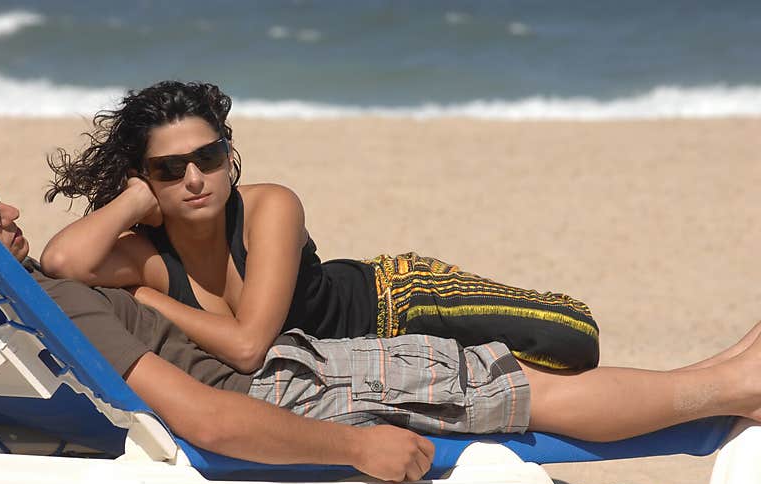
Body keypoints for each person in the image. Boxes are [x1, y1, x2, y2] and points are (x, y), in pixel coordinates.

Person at [0, 157, 761, 484]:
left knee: (547, 354)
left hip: (335, 333)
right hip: (291, 389)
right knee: (521, 392)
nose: (10, 209)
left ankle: (724, 371)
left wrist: (149, 295)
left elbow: (59, 253)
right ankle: (733, 384)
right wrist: (353, 445)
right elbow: (208, 415)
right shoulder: (60, 294)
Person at [40, 80, 600, 375]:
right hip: (364, 370)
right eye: (170, 169)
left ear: (227, 154)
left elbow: (248, 347)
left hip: (395, 304)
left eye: (208, 157)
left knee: (571, 338)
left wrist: (147, 299)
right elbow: (61, 262)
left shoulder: (270, 207)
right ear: (147, 178)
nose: (195, 178)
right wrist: (134, 198)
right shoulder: (151, 253)